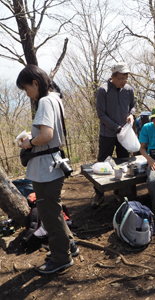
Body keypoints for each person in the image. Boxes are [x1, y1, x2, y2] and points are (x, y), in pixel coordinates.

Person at [16, 65, 78, 274]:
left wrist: (28, 143)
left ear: (35, 83)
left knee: (49, 214)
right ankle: (68, 245)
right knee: (54, 209)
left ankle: (61, 258)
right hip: (53, 162)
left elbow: (46, 135)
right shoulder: (55, 99)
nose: (27, 94)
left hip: (45, 167)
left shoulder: (44, 101)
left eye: (26, 89)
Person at [93, 62, 136, 208]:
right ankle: (99, 193)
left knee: (124, 162)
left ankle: (120, 192)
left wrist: (131, 115)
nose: (124, 82)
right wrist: (116, 127)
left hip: (124, 133)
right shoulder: (103, 90)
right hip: (107, 134)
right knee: (103, 162)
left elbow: (133, 106)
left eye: (126, 78)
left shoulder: (128, 90)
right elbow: (101, 114)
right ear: (113, 77)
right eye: (121, 79)